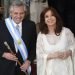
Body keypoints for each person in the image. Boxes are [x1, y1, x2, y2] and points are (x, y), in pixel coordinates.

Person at [0, 0, 37, 75]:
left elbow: (34, 46)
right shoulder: (1, 25)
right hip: (4, 68)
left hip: (23, 68)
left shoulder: (31, 25)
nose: (19, 16)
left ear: (25, 13)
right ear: (10, 13)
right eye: (15, 13)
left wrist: (29, 61)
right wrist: (3, 54)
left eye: (21, 13)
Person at [36, 7, 75, 75]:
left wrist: (68, 53)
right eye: (47, 16)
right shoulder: (41, 36)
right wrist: (53, 55)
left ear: (56, 17)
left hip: (66, 70)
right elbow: (39, 55)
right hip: (49, 71)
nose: (50, 18)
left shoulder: (66, 32)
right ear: (44, 20)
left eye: (52, 15)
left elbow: (73, 47)